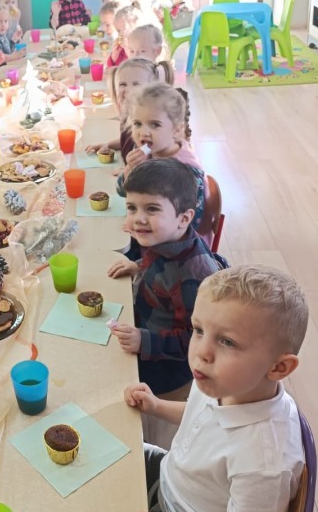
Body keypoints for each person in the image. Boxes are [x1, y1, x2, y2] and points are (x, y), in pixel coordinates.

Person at [125, 265, 308, 512]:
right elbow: (202, 414)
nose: (201, 352)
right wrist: (156, 406)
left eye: (227, 342)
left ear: (278, 367)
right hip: (170, 477)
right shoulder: (227, 383)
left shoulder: (263, 467)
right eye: (198, 330)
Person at [108, 159, 221, 445]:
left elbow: (196, 340)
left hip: (167, 373)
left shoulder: (193, 278)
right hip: (147, 335)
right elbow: (161, 267)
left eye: (152, 209)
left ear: (184, 218)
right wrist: (138, 267)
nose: (138, 219)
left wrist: (144, 341)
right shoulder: (166, 240)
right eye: (132, 207)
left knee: (137, 430)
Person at [116, 82, 210, 244]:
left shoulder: (187, 172)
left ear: (176, 129)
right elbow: (122, 191)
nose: (143, 132)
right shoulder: (149, 152)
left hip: (177, 247)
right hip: (147, 229)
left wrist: (140, 229)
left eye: (155, 124)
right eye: (137, 124)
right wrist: (130, 169)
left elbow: (190, 225)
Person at [86, 58, 173, 163]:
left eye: (136, 84)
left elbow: (149, 151)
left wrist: (130, 168)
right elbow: (131, 141)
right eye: (122, 84)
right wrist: (108, 144)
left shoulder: (152, 123)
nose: (128, 90)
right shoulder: (130, 115)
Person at [0, 4, 26, 70]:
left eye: (5, 21)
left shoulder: (2, 35)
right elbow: (0, 57)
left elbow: (7, 51)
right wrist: (15, 56)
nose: (3, 25)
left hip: (6, 68)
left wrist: (14, 39)